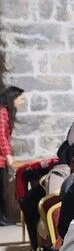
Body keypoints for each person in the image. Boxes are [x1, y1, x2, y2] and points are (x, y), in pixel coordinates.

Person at [0, 85, 21, 225]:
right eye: (21, 98)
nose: (22, 101)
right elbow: (1, 136)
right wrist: (8, 156)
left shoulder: (5, 112)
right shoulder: (2, 112)